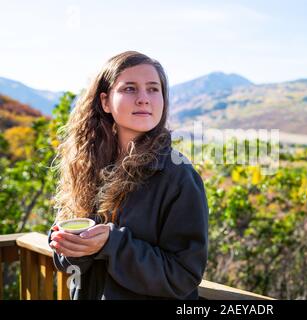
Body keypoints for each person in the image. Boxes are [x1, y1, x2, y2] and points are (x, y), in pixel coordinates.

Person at [48, 51, 209, 300]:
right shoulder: (87, 165)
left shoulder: (178, 177)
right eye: (130, 89)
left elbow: (183, 276)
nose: (144, 99)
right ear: (105, 101)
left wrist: (112, 244)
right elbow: (68, 265)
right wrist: (66, 245)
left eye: (153, 89)